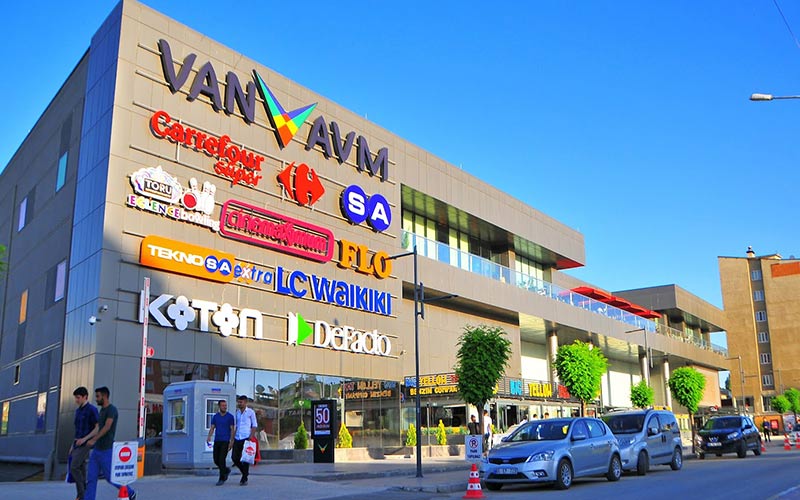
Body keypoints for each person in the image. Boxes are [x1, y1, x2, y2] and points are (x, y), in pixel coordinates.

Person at [81, 387, 136, 500]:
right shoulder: (102, 411)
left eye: (98, 396)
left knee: (110, 477)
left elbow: (107, 427)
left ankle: (130, 492)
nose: (96, 399)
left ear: (105, 396)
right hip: (96, 450)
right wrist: (86, 439)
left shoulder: (112, 410)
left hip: (107, 449)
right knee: (91, 477)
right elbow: (99, 428)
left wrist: (94, 439)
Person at [69, 387, 99, 500]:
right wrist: (72, 445)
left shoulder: (92, 410)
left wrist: (86, 439)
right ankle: (83, 495)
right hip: (77, 443)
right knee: (80, 468)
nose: (76, 400)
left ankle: (82, 494)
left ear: (85, 397)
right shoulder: (77, 411)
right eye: (75, 398)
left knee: (74, 467)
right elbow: (77, 430)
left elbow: (97, 428)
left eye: (78, 398)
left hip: (86, 443)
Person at [207, 399, 235, 486]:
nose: (225, 407)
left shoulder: (230, 417)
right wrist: (209, 436)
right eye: (223, 405)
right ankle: (226, 470)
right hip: (217, 440)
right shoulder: (215, 417)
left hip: (225, 441)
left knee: (222, 459)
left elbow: (232, 430)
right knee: (216, 460)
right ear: (219, 406)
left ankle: (221, 478)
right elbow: (212, 427)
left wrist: (231, 441)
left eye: (225, 405)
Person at [232, 395, 257, 486]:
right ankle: (245, 473)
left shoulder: (250, 412)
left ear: (245, 402)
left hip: (246, 437)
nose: (239, 404)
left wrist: (251, 436)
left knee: (245, 459)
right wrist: (232, 439)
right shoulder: (237, 413)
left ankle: (244, 478)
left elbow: (254, 425)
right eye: (238, 402)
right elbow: (235, 426)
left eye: (241, 402)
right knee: (234, 458)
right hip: (237, 437)